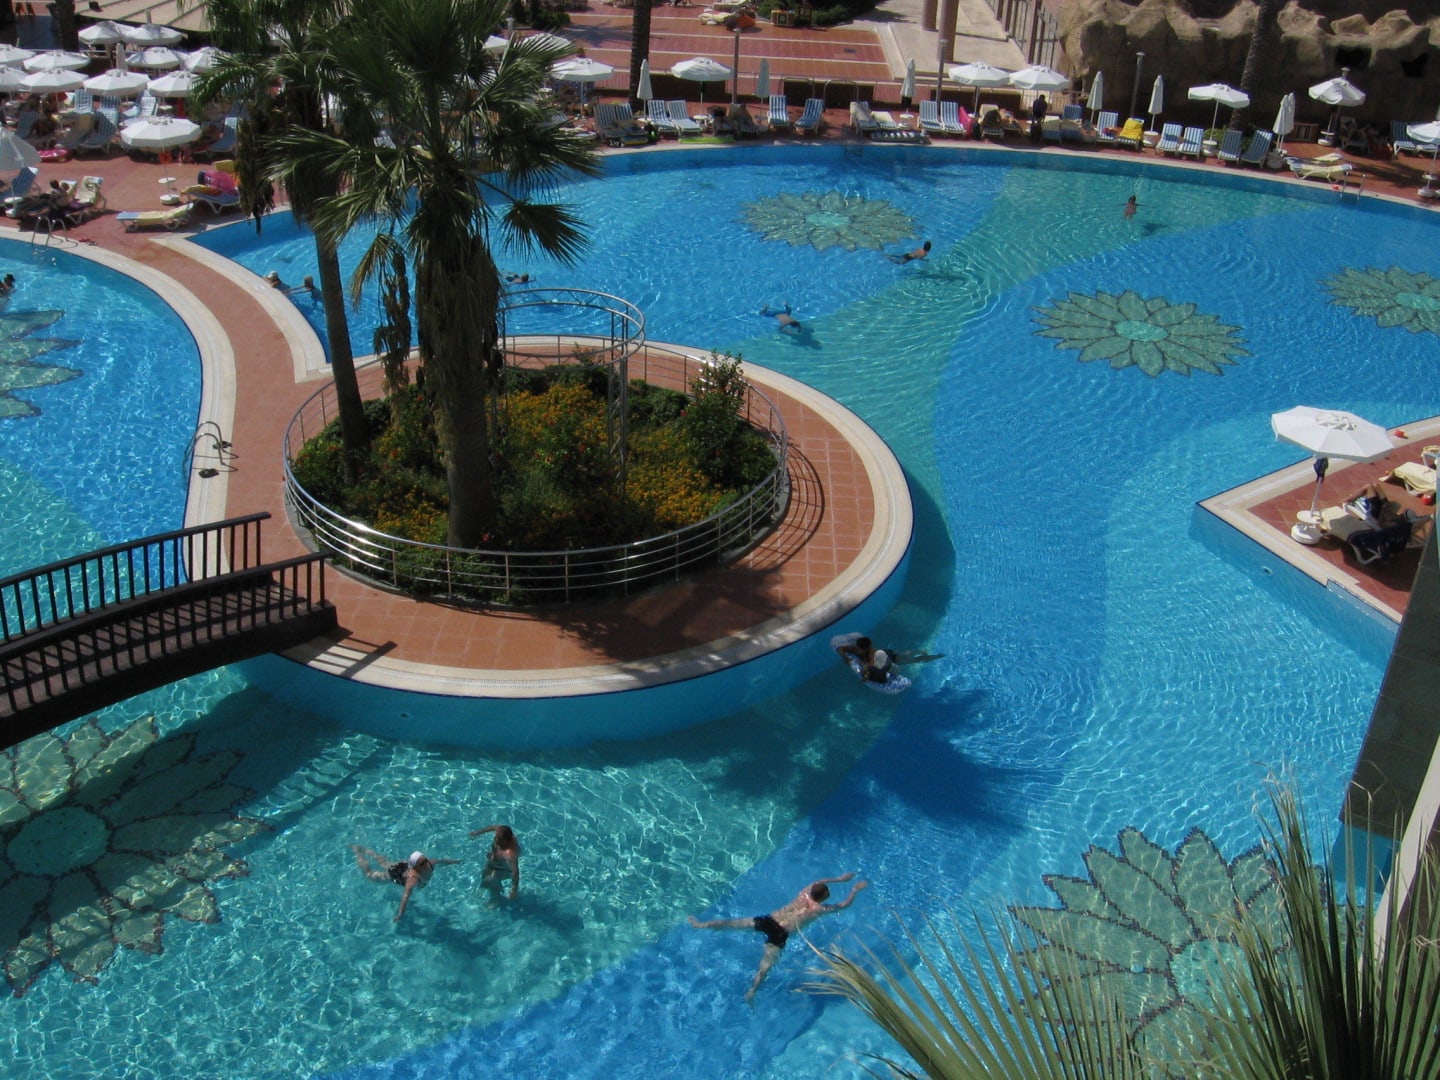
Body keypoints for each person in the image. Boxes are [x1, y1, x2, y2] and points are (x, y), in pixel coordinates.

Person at [688, 872, 869, 1000]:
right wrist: (854, 890)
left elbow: (820, 881)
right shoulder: (819, 909)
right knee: (765, 967)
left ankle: (700, 925)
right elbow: (843, 905)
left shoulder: (804, 893)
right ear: (822, 898)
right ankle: (751, 992)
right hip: (780, 934)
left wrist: (839, 879)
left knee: (732, 923)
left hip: (769, 920)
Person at [352, 845, 460, 922]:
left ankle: (364, 849)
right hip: (395, 875)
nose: (426, 863)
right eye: (422, 863)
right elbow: (405, 898)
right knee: (370, 875)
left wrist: (456, 862)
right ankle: (358, 853)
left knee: (384, 863)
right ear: (416, 867)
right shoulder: (412, 880)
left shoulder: (430, 863)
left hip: (403, 866)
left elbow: (443, 862)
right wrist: (400, 914)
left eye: (425, 860)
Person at [469, 824, 522, 899]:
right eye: (496, 837)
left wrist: (514, 890)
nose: (496, 840)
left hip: (503, 868)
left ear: (507, 841)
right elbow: (493, 827)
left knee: (492, 880)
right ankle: (488, 891)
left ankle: (496, 898)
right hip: (494, 862)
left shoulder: (510, 854)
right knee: (484, 874)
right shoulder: (501, 832)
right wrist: (478, 832)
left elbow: (515, 873)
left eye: (499, 839)